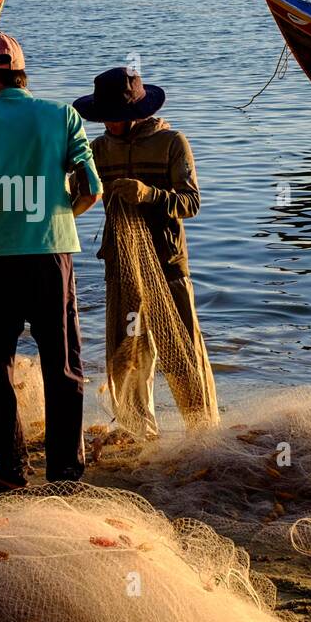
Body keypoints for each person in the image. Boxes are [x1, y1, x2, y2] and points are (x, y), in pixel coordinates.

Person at [0, 33, 102, 489]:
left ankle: (11, 470)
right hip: (52, 255)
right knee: (64, 365)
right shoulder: (63, 116)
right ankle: (65, 473)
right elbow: (92, 188)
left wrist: (0, 216)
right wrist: (57, 217)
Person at [73, 67, 218, 439]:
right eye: (105, 117)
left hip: (167, 262)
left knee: (181, 349)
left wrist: (149, 194)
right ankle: (139, 431)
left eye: (117, 117)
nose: (110, 124)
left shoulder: (171, 142)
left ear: (138, 112)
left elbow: (192, 202)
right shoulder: (97, 150)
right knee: (128, 352)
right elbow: (75, 194)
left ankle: (201, 431)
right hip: (121, 265)